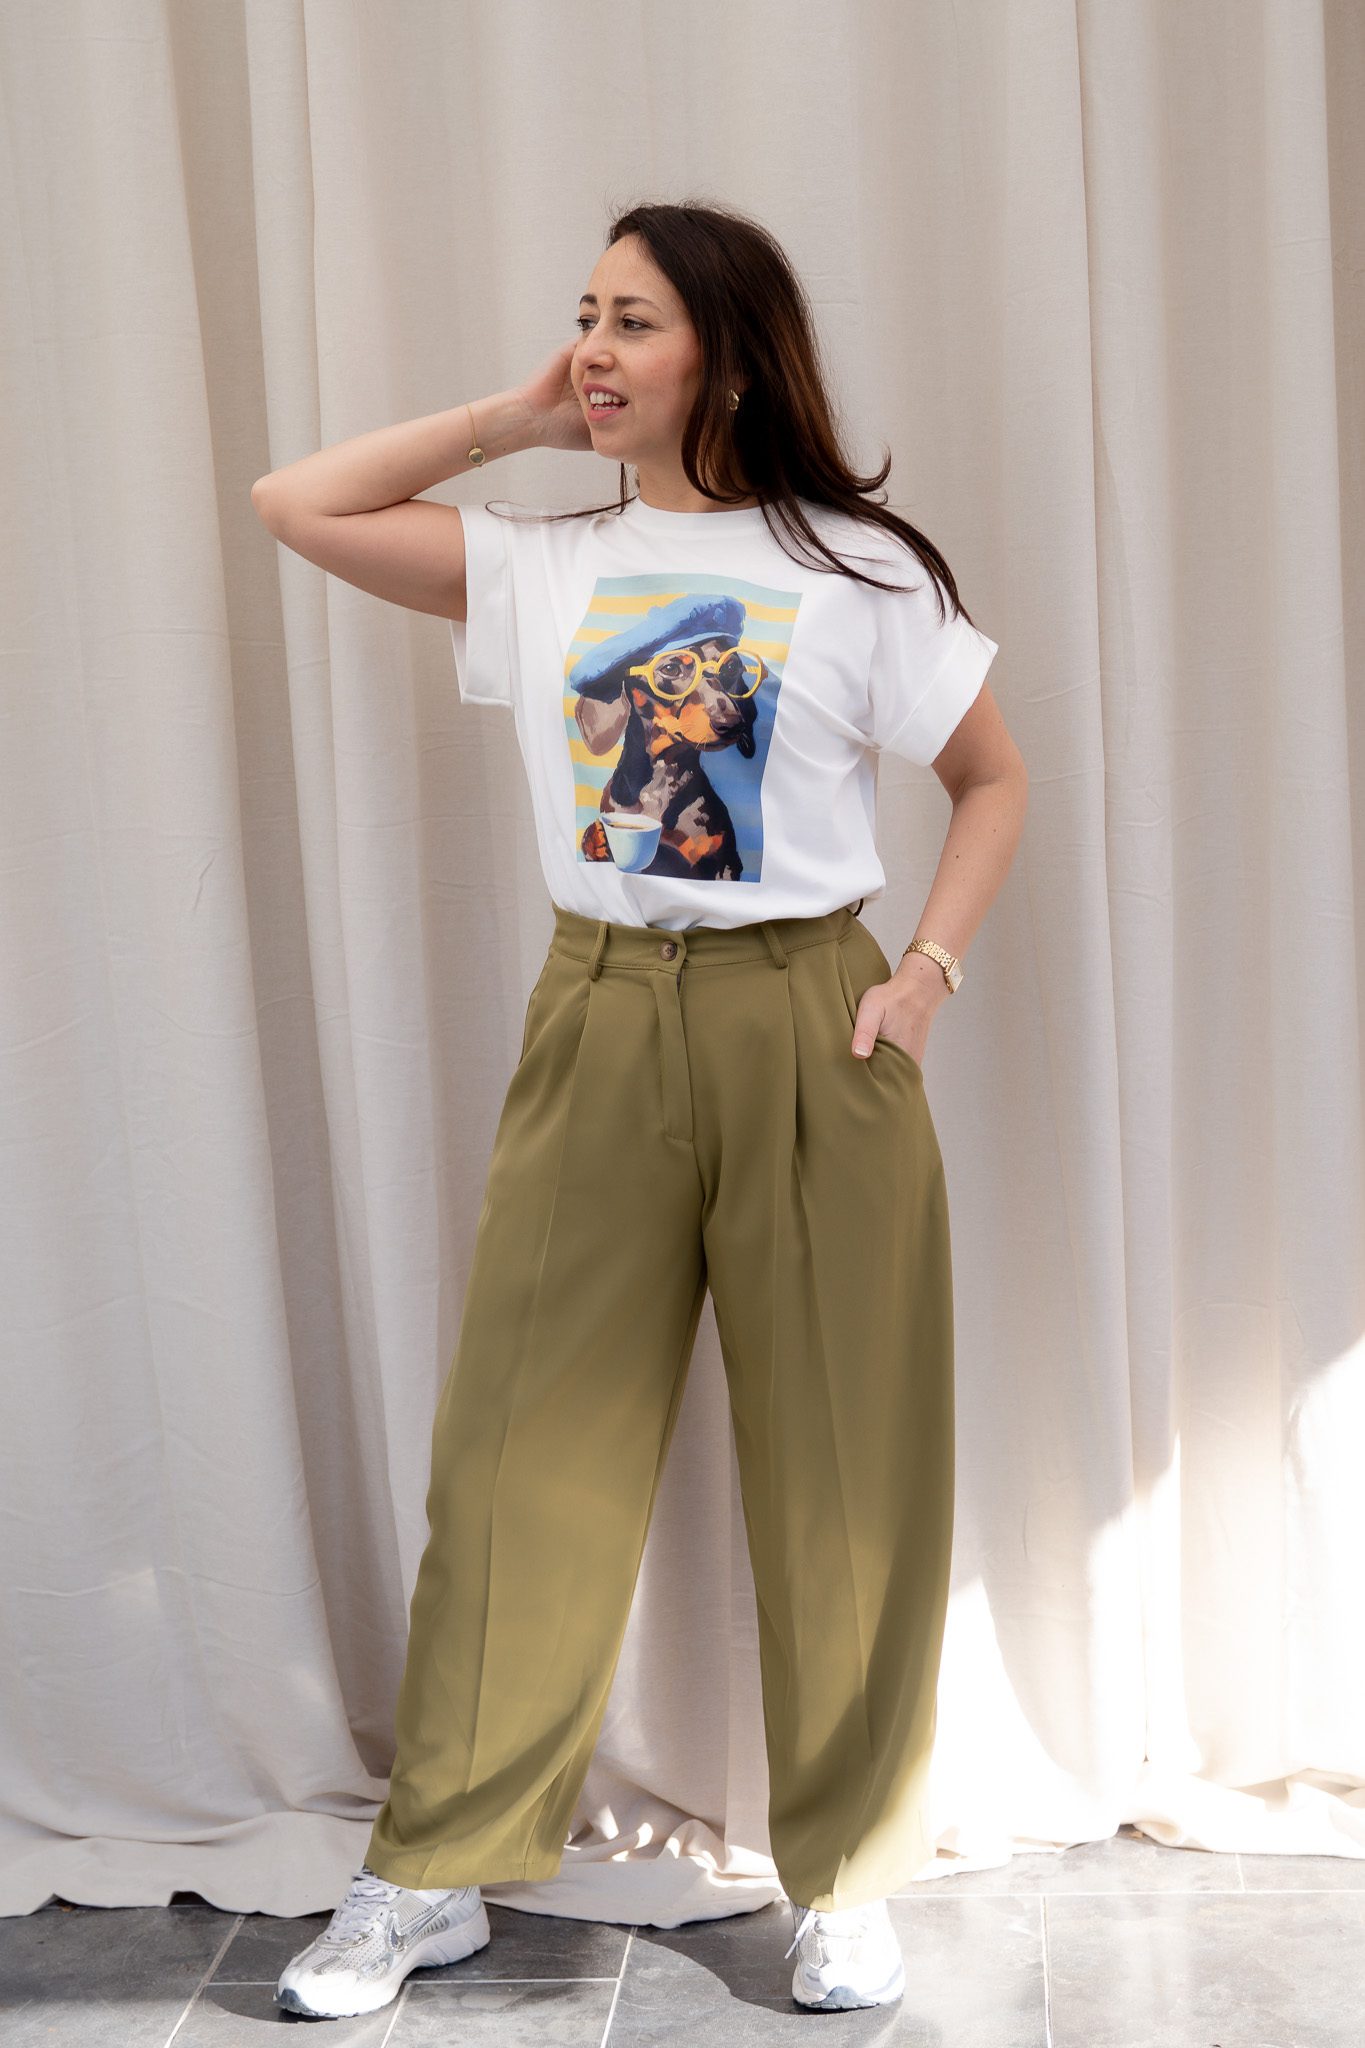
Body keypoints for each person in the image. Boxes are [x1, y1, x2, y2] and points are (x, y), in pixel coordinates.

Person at [251, 198, 1028, 2021]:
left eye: (634, 322)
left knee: (847, 1468)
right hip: (600, 1011)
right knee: (520, 1458)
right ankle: (431, 1872)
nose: (595, 348)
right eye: (584, 314)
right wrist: (515, 419)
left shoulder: (858, 571)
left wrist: (925, 973)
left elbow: (990, 778)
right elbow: (297, 503)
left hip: (811, 1022)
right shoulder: (548, 563)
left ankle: (846, 1877)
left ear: (728, 355)